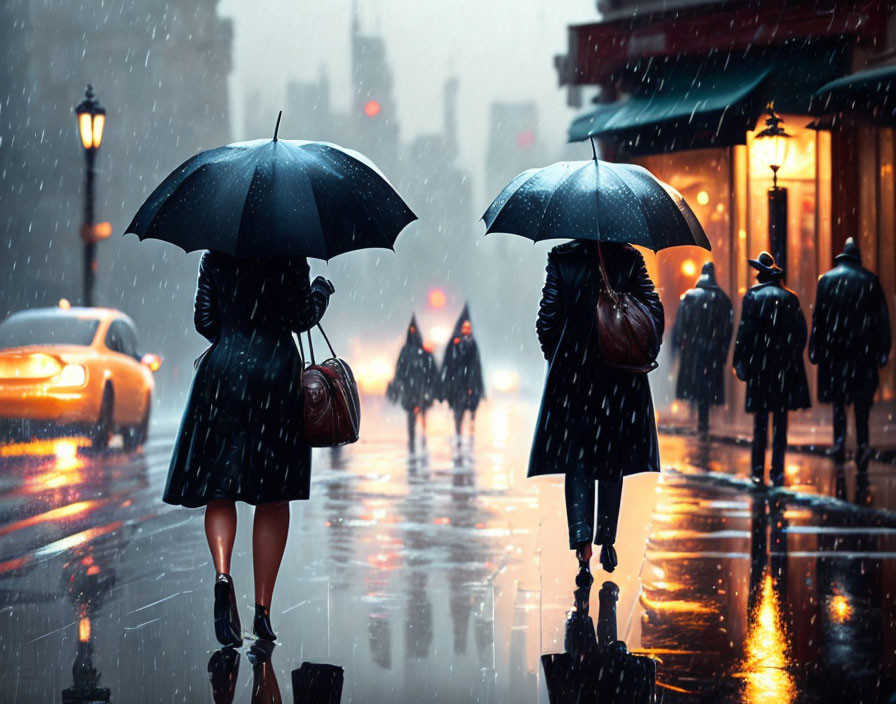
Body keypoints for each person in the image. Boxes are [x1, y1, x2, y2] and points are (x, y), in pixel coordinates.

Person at [164, 251, 334, 647]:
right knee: (272, 496)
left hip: (223, 376)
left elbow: (204, 322)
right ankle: (262, 612)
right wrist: (321, 292)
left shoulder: (216, 253)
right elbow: (300, 317)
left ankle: (223, 579)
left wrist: (236, 330)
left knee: (220, 488)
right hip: (275, 376)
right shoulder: (288, 251)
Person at [529, 241, 663, 576]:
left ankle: (582, 542)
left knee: (578, 460)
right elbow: (653, 313)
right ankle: (608, 539)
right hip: (618, 378)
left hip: (573, 378)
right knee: (611, 459)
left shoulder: (563, 259)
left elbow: (546, 320)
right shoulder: (630, 259)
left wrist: (559, 356)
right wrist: (632, 346)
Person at [809, 237, 891, 473]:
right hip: (862, 354)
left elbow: (819, 320)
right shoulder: (870, 281)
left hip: (836, 353)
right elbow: (881, 320)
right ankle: (863, 445)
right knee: (861, 404)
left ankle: (839, 443)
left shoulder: (827, 281)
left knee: (839, 403)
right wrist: (883, 350)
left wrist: (816, 347)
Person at [733, 251, 810, 487]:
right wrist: (790, 356)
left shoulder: (753, 297)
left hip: (761, 369)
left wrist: (740, 362)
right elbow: (801, 335)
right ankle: (777, 471)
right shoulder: (790, 298)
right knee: (780, 424)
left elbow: (744, 334)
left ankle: (757, 471)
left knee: (760, 423)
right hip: (783, 371)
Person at [671, 261, 733, 438]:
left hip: (693, 351)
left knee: (696, 387)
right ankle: (703, 420)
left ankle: (700, 419)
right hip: (712, 352)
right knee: (707, 388)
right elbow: (727, 330)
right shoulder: (723, 300)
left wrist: (679, 346)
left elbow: (680, 326)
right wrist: (722, 351)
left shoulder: (689, 297)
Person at [386, 315, 441, 447]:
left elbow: (431, 368)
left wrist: (432, 383)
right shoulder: (405, 351)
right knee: (411, 413)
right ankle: (412, 438)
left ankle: (422, 434)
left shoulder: (424, 352)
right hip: (409, 387)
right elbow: (400, 369)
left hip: (421, 386)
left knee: (422, 411)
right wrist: (398, 382)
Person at [441, 304, 485, 438]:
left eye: (468, 328)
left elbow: (476, 365)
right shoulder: (453, 344)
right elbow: (447, 363)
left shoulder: (473, 344)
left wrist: (475, 383)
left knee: (471, 408)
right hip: (457, 383)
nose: (466, 330)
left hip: (469, 382)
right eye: (464, 327)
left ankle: (469, 430)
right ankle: (458, 432)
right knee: (458, 410)